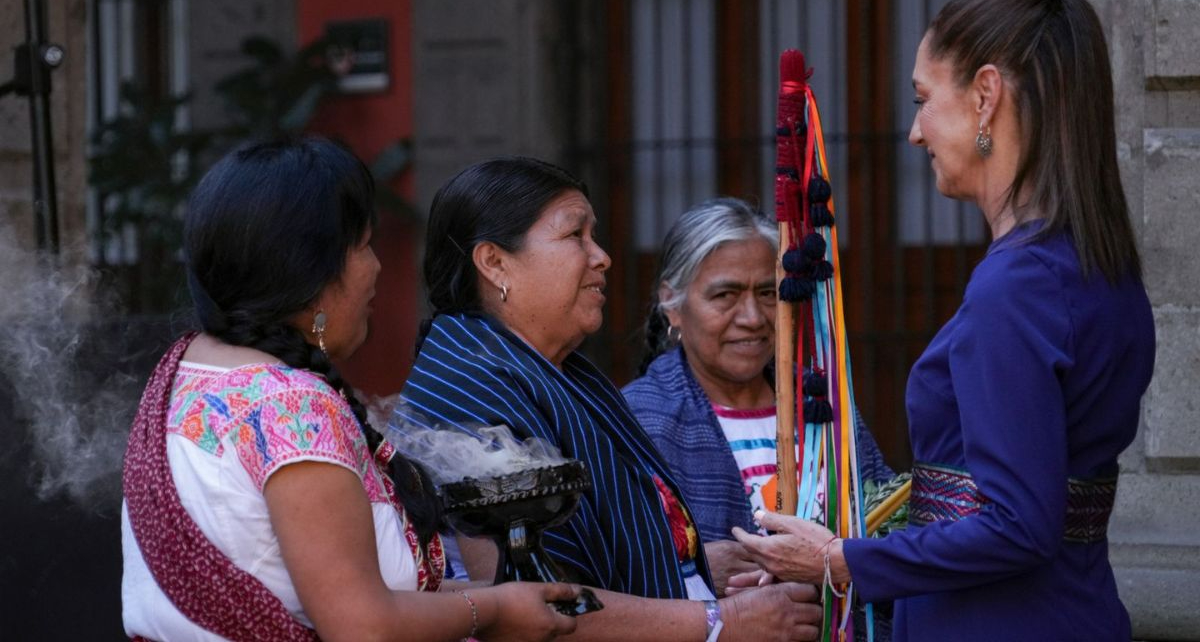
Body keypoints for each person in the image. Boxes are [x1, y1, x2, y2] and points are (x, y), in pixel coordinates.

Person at [729, 0, 1156, 642]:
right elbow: (1001, 494)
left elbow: (1018, 524)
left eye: (924, 100)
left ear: (985, 96)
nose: (914, 132)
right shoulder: (1098, 264)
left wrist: (839, 560)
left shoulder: (1016, 284)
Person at [120, 138, 580, 640]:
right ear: (312, 269)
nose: (377, 267)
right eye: (363, 246)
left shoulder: (185, 371)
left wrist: (499, 598)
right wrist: (491, 612)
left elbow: (334, 592)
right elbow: (361, 626)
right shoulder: (291, 406)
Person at [395, 156, 823, 641]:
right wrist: (725, 621)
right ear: (494, 263)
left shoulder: (552, 375)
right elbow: (525, 602)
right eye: (575, 235)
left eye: (592, 236)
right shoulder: (469, 387)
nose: (602, 256)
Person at [622, 197, 893, 596]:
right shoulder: (639, 421)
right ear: (672, 304)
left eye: (768, 293)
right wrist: (689, 571)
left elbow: (887, 520)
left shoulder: (820, 404)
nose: (752, 317)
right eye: (725, 295)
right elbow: (610, 569)